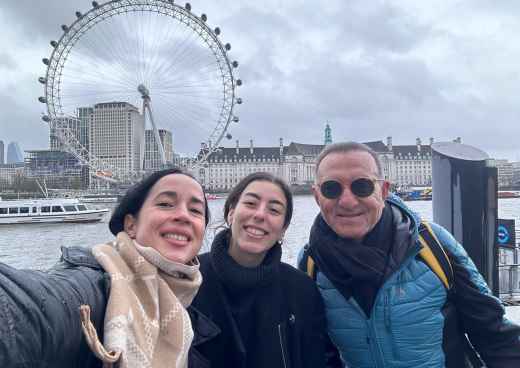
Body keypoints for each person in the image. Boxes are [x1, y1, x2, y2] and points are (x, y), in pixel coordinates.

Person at [299, 142, 520, 368]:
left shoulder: (434, 244)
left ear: (384, 191)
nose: (347, 201)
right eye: (331, 189)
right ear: (317, 196)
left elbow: (495, 336)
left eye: (362, 186)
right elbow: (319, 353)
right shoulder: (311, 263)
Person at [0, 168, 216, 368]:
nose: (183, 215)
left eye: (195, 210)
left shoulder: (188, 308)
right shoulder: (93, 287)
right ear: (130, 225)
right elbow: (30, 309)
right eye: (165, 204)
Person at [191, 172, 327, 368]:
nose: (260, 215)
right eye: (251, 204)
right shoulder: (187, 281)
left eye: (273, 210)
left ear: (283, 229)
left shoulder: (302, 291)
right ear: (231, 213)